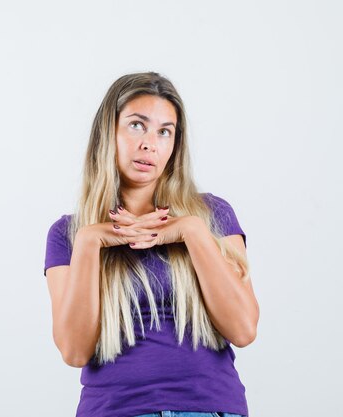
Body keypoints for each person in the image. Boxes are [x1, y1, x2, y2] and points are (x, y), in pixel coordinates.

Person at [43, 71, 259, 417]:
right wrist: (89, 240)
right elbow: (74, 351)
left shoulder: (212, 215)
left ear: (175, 145)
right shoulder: (67, 234)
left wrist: (192, 231)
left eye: (164, 131)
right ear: (107, 132)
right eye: (136, 125)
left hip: (209, 408)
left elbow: (244, 329)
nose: (150, 143)